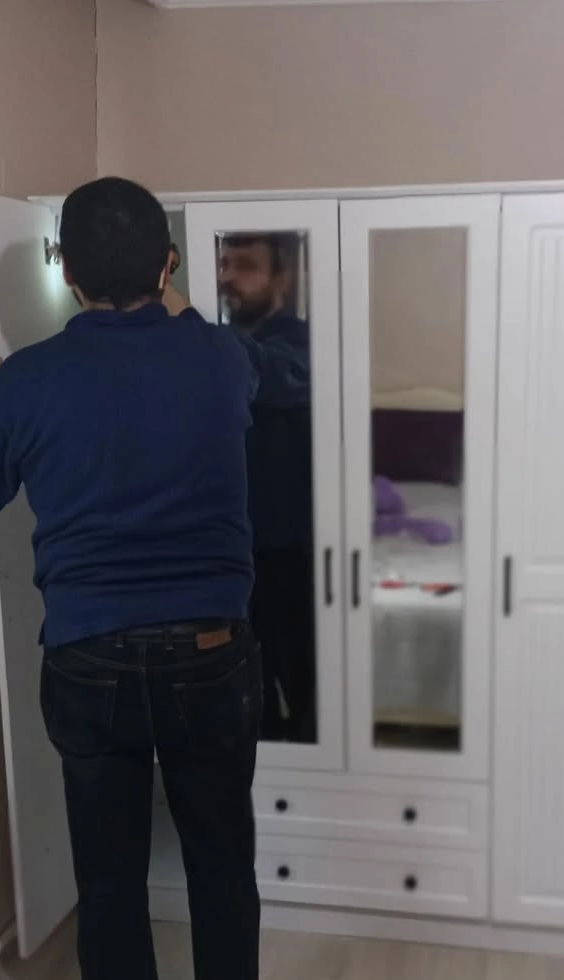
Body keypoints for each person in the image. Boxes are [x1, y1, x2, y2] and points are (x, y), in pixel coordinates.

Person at [0, 177, 277, 980]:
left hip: (91, 663)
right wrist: (164, 288)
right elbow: (211, 346)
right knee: (221, 860)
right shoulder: (221, 359)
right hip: (212, 655)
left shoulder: (27, 380)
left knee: (109, 879)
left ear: (68, 275)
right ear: (168, 264)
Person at [218, 234, 318, 744]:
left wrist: (187, 322)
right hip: (230, 545)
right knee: (242, 681)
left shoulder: (303, 343)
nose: (228, 276)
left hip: (292, 546)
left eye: (246, 265)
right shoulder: (220, 344)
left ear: (281, 278)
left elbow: (270, 374)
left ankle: (321, 770)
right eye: (224, 263)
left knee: (305, 679)